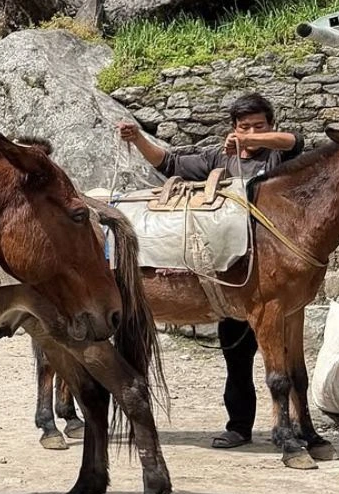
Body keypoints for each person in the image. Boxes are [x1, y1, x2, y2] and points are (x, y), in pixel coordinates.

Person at [117, 92, 305, 450]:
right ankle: (239, 427)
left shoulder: (281, 157)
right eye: (244, 126)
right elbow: (170, 163)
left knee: (283, 357)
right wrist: (139, 138)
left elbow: (296, 141)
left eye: (259, 125)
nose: (251, 132)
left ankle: (298, 425)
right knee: (237, 359)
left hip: (273, 276)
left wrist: (253, 140)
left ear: (270, 126)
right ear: (232, 127)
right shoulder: (219, 158)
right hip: (234, 278)